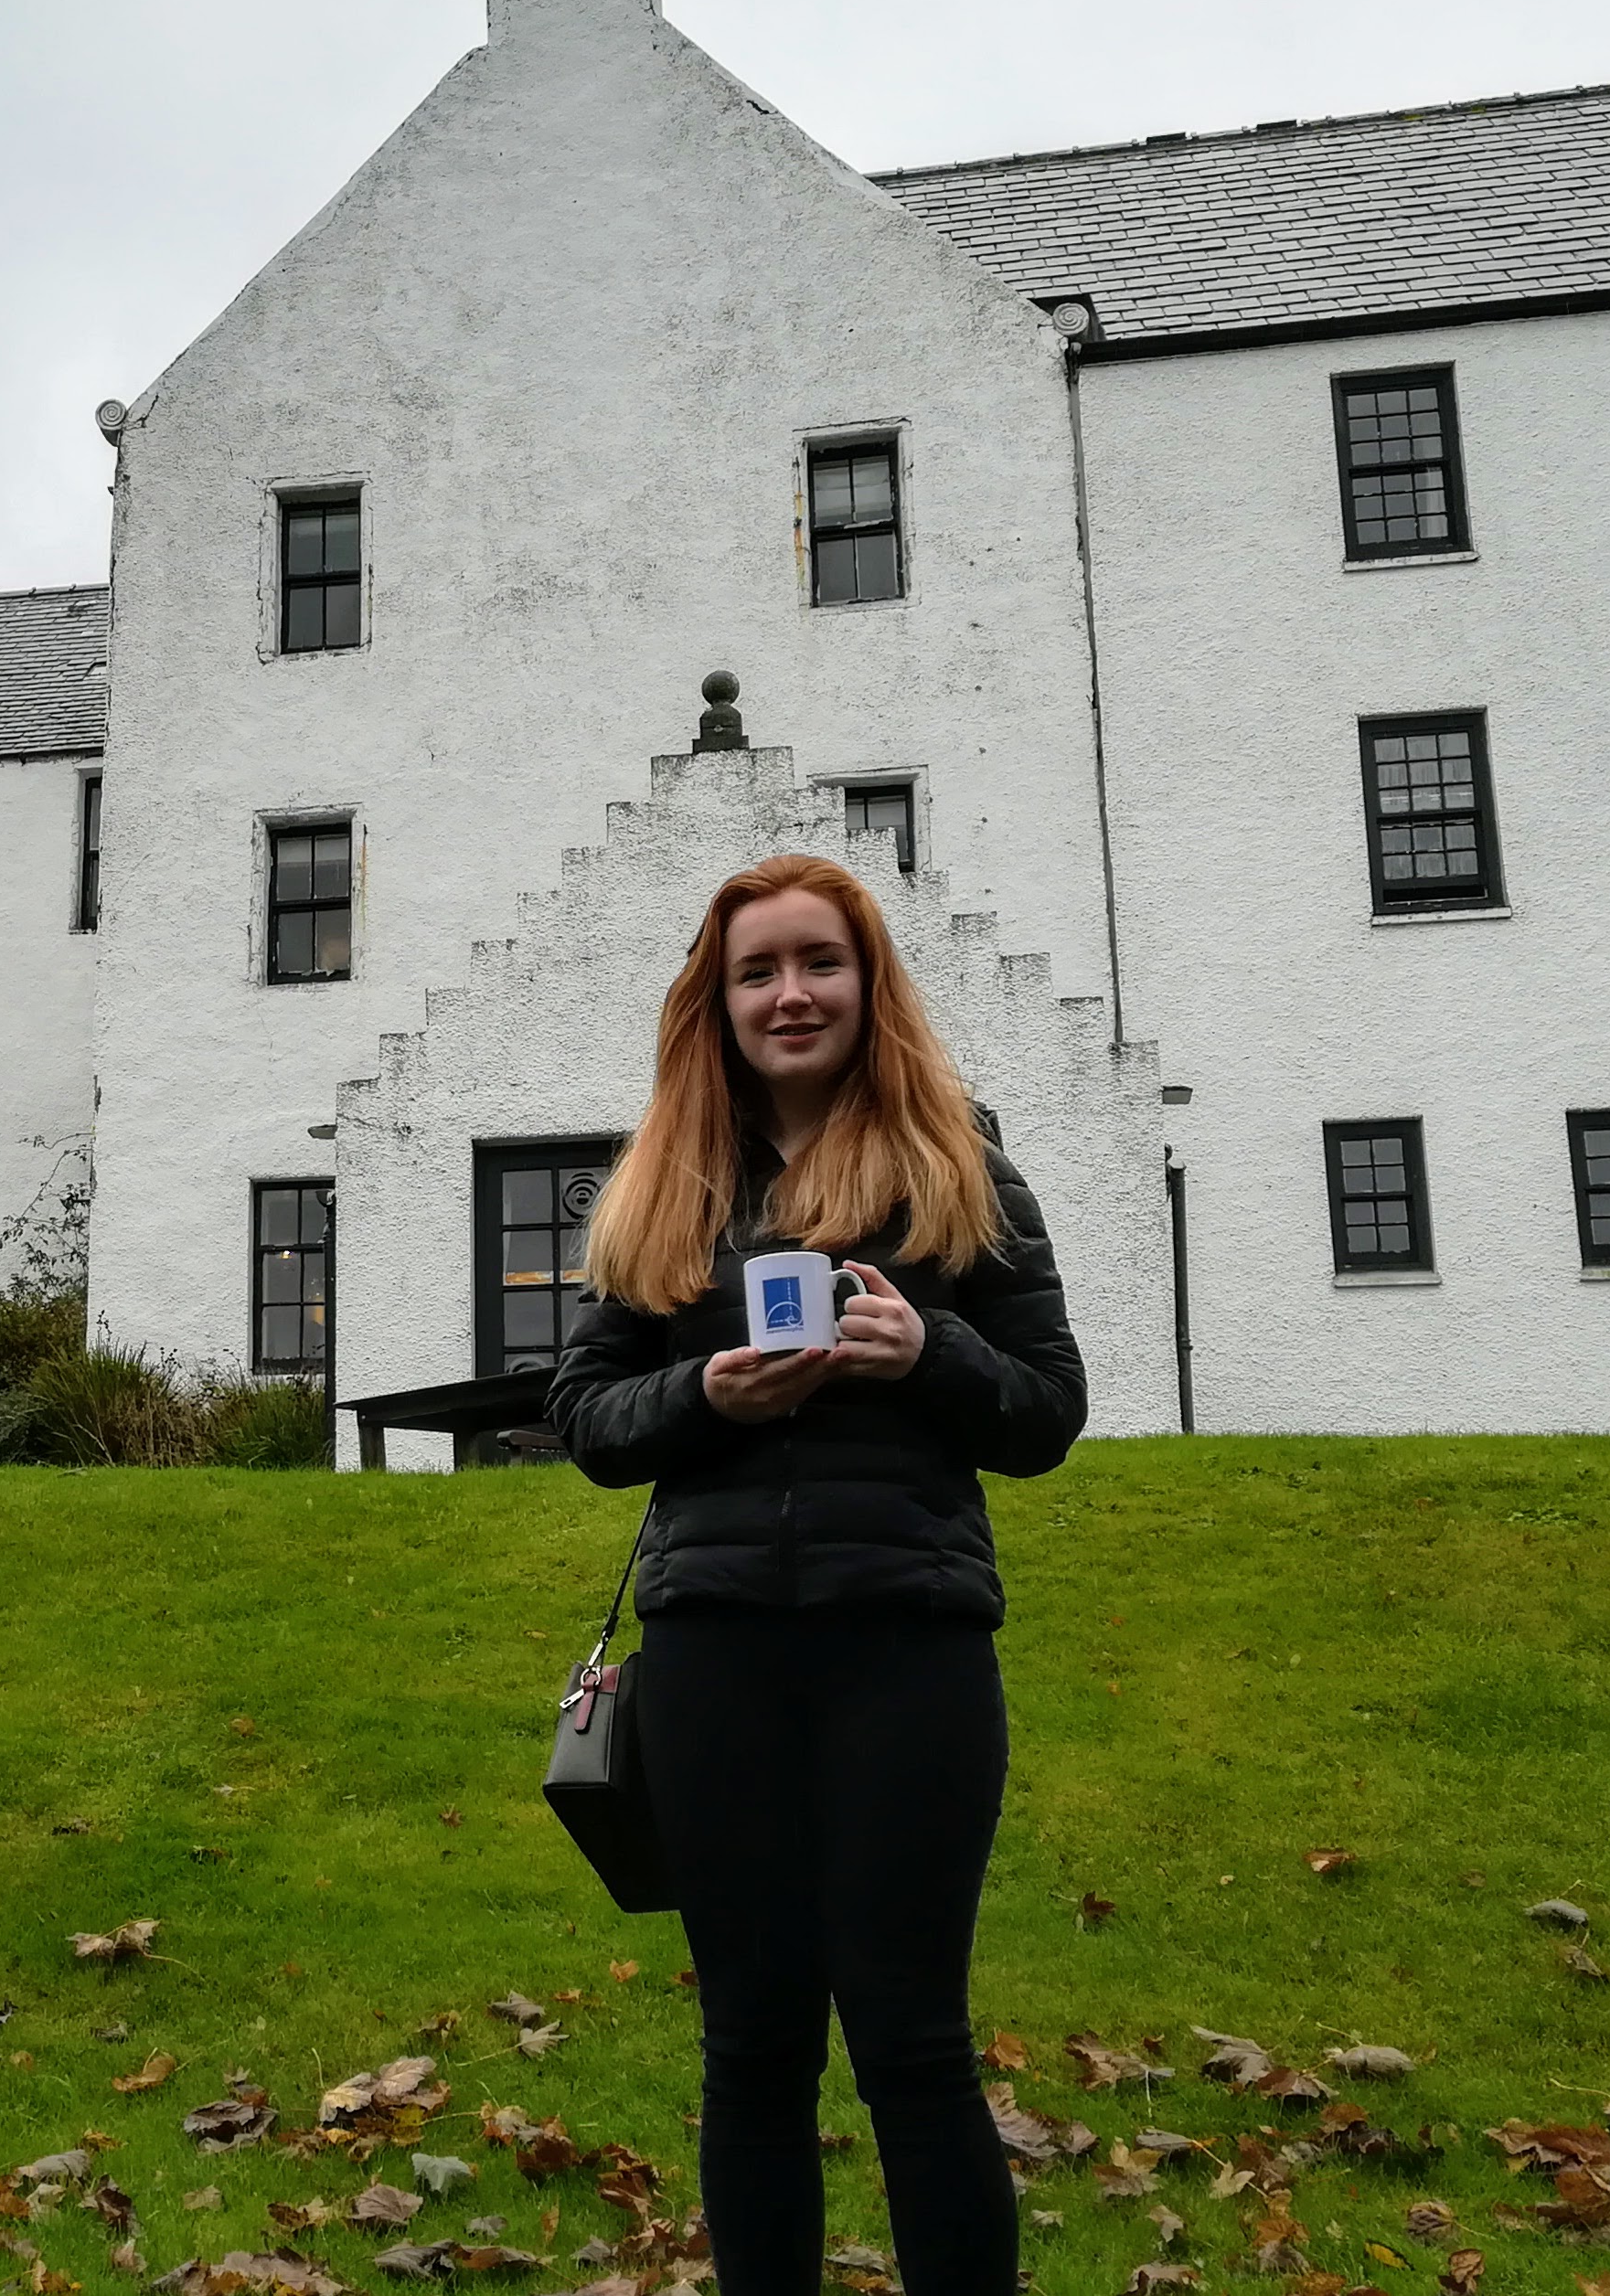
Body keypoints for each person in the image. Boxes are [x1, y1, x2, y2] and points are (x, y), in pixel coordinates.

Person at [547, 853, 1088, 2296]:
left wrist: (934, 1355)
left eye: (818, 963)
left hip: (905, 1651)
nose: (790, 994)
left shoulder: (955, 1160)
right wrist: (701, 1402)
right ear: (714, 1003)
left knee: (911, 2041)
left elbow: (1046, 1411)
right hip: (716, 1657)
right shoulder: (667, 1184)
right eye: (757, 971)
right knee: (754, 2044)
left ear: (868, 984)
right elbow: (585, 1420)